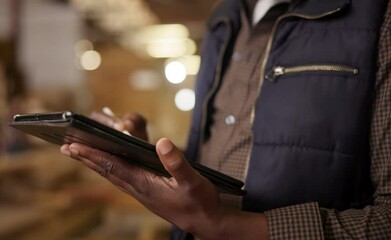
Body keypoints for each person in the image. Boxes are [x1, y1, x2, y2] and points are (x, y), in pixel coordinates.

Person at [61, 0, 391, 239]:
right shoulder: (225, 17)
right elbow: (216, 154)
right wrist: (148, 157)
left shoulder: (377, 15)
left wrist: (226, 227)